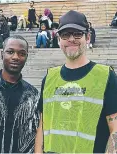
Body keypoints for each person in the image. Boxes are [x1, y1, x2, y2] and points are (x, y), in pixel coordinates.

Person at [35, 10, 117, 153]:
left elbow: (115, 129)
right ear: (59, 39)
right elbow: (42, 126)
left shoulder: (105, 76)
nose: (71, 39)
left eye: (78, 34)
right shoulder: (49, 78)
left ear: (88, 37)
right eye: (65, 35)